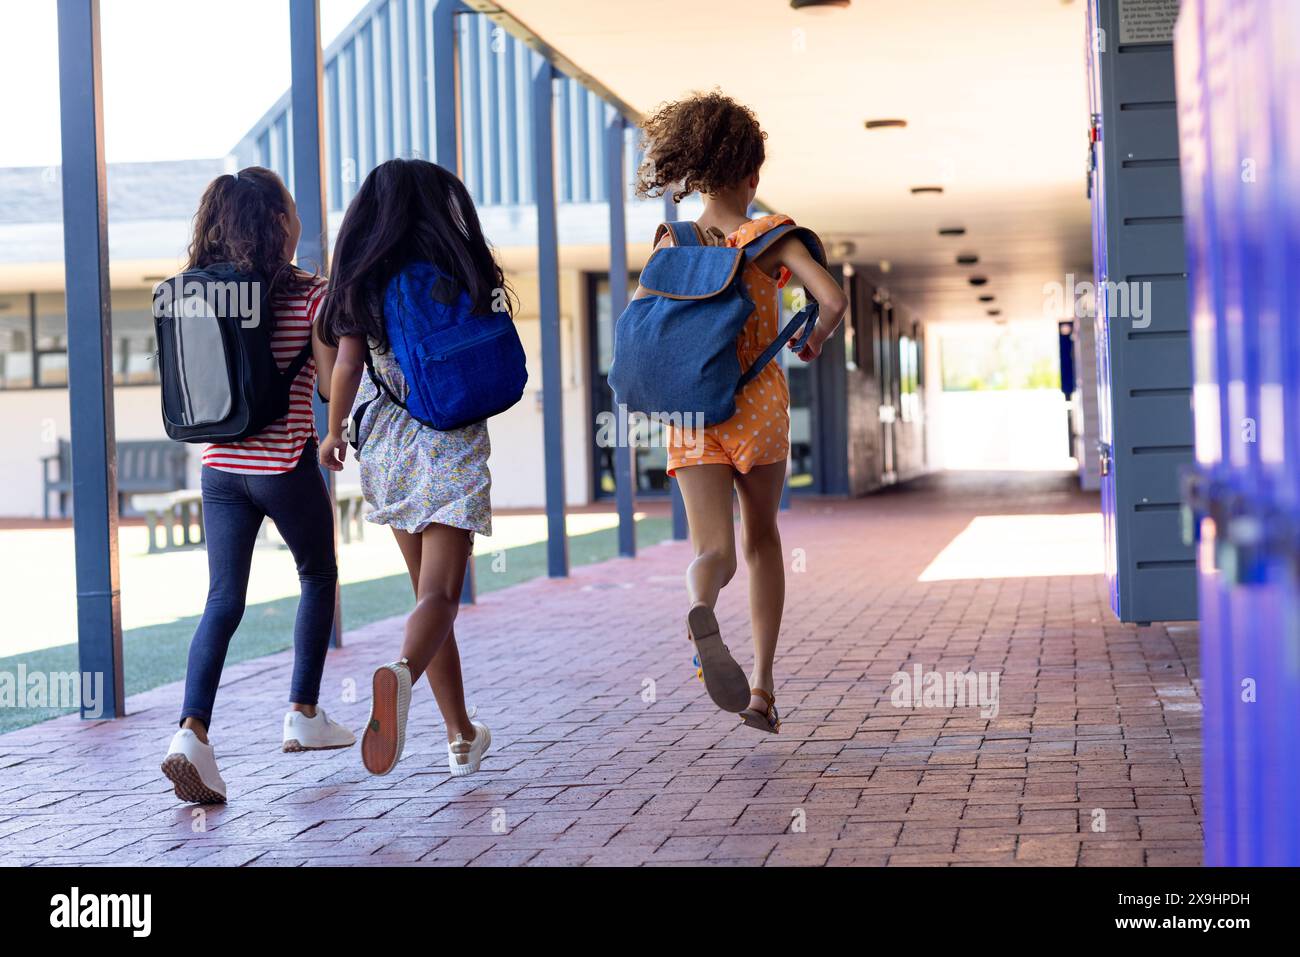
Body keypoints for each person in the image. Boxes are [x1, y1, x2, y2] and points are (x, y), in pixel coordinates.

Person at [631, 92, 848, 733]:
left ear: (694, 173)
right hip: (756, 408)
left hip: (694, 412)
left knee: (714, 550)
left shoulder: (675, 241)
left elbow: (646, 326)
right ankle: (762, 687)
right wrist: (812, 341)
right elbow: (831, 300)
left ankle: (700, 602)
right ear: (752, 174)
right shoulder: (773, 237)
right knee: (761, 542)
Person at [162, 167, 354, 806]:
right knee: (317, 576)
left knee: (223, 599)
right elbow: (330, 388)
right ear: (278, 221)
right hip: (282, 469)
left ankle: (190, 733)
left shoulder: (202, 291)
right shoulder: (310, 294)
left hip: (218, 471)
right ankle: (302, 713)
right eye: (293, 210)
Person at [318, 158, 501, 778]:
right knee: (441, 596)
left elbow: (345, 367)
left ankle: (461, 734)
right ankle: (402, 673)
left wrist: (335, 430)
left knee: (429, 596)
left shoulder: (363, 280)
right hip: (449, 436)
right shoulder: (460, 265)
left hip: (389, 440)